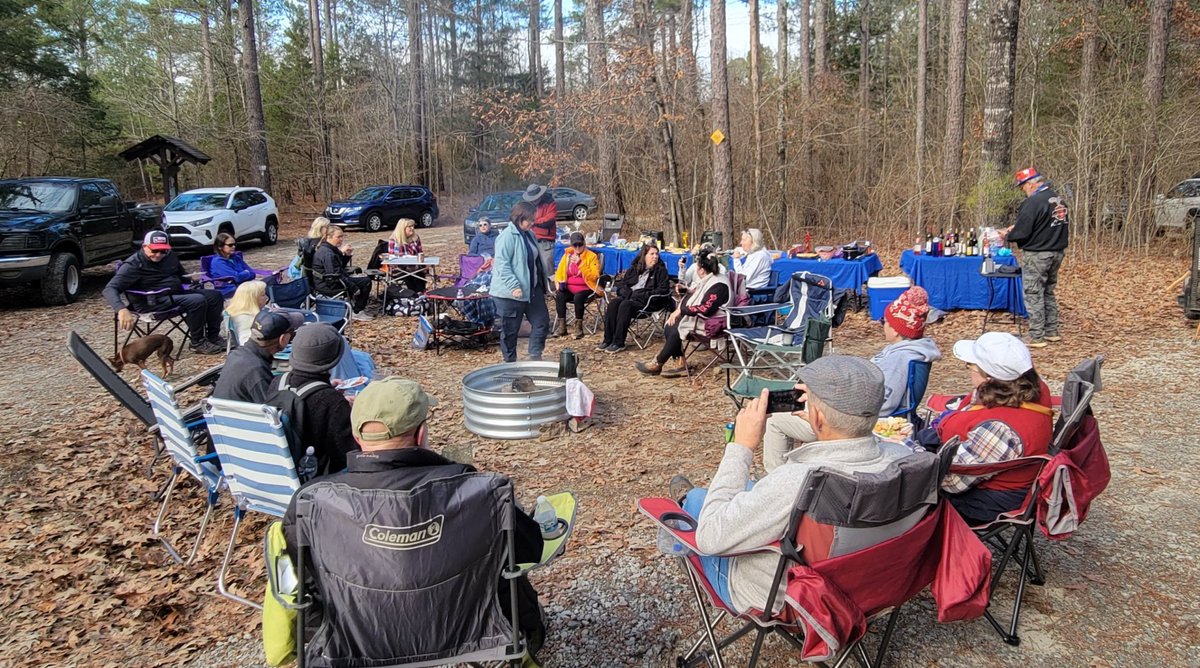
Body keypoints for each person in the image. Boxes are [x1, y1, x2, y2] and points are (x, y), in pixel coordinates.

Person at [281, 377, 548, 658]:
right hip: (466, 632)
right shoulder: (476, 490)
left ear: (358, 438)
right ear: (421, 434)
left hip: (356, 640)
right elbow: (530, 547)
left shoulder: (314, 500)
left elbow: (305, 577)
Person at [674, 356, 927, 615]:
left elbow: (709, 539)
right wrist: (830, 426)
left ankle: (686, 536)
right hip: (872, 588)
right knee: (750, 488)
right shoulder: (909, 462)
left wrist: (742, 446)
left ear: (816, 415)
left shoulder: (800, 480)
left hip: (790, 599)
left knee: (695, 500)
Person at [760, 287, 942, 471]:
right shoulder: (915, 351)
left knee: (775, 420)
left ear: (896, 330)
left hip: (853, 423)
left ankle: (775, 477)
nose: (882, 325)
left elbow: (881, 404)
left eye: (884, 322)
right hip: (858, 415)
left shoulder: (898, 360)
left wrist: (830, 403)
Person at [936, 332, 1053, 525]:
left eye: (971, 365)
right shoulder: (1033, 388)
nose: (969, 370)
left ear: (989, 378)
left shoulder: (1000, 429)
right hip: (1003, 479)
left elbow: (952, 483)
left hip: (988, 502)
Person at [103, 230, 226, 355]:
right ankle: (197, 342)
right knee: (196, 300)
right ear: (144, 247)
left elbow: (180, 276)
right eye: (154, 250)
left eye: (163, 250)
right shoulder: (133, 265)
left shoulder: (169, 256)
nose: (158, 254)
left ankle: (213, 337)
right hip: (151, 302)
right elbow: (110, 288)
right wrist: (121, 309)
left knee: (215, 296)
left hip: (174, 294)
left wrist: (191, 278)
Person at [268, 323, 359, 474]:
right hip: (314, 479)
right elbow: (347, 455)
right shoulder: (332, 401)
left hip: (279, 470)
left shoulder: (278, 382)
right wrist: (355, 413)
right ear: (335, 358)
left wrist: (328, 388)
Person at [636, 246, 729, 378]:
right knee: (670, 324)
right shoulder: (709, 279)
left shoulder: (719, 285)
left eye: (696, 267)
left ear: (701, 270)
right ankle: (679, 363)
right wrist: (682, 301)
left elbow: (706, 308)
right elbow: (695, 294)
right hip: (702, 318)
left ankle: (657, 363)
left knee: (675, 328)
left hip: (713, 323)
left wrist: (682, 310)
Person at [1002, 167, 1069, 349]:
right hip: (1057, 252)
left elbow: (1022, 232)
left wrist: (1007, 235)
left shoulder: (1033, 202)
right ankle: (1052, 331)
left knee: (1033, 293)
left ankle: (1037, 336)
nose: (1023, 190)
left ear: (1031, 184)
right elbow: (1042, 224)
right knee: (1048, 290)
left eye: (1023, 187)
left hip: (1038, 254)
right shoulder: (1058, 199)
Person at [490, 201, 550, 363]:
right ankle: (510, 364)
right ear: (519, 217)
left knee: (541, 322)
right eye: (529, 219)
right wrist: (514, 286)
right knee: (510, 332)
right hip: (510, 294)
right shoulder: (506, 237)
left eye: (533, 219)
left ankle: (535, 357)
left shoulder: (529, 234)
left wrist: (546, 282)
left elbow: (535, 261)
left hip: (532, 290)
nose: (532, 222)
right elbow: (502, 264)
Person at [212, 310, 304, 404]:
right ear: (282, 339)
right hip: (242, 417)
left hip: (224, 414)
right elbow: (273, 410)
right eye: (292, 333)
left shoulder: (236, 354)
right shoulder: (257, 371)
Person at [597, 244, 670, 354]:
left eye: (656, 254)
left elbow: (663, 290)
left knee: (625, 305)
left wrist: (641, 294)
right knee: (614, 303)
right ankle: (608, 340)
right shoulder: (635, 268)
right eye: (652, 254)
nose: (655, 256)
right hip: (629, 297)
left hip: (647, 303)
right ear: (644, 255)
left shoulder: (660, 271)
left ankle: (618, 342)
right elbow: (622, 284)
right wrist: (623, 291)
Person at [313, 224, 373, 320]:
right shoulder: (327, 253)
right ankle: (356, 311)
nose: (341, 239)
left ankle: (356, 308)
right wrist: (354, 288)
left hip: (332, 280)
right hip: (328, 285)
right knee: (365, 282)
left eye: (342, 236)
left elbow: (339, 267)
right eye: (338, 237)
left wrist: (346, 255)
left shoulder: (330, 249)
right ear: (329, 237)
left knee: (363, 278)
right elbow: (336, 275)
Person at [552, 232, 601, 339]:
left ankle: (578, 327)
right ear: (571, 245)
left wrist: (580, 264)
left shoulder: (591, 256)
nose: (578, 248)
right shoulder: (567, 256)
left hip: (586, 286)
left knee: (578, 297)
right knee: (559, 295)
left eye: (580, 244)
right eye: (575, 245)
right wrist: (558, 283)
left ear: (584, 243)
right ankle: (562, 327)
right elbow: (559, 272)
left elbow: (594, 276)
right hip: (569, 287)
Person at [524, 184, 558, 291]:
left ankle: (551, 290)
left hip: (546, 240)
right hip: (532, 238)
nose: (534, 201)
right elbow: (525, 219)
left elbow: (549, 220)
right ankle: (539, 290)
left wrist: (534, 222)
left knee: (548, 268)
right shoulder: (528, 205)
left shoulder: (550, 202)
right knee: (534, 266)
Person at [209, 232, 261, 297]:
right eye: (230, 245)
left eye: (234, 244)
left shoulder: (236, 258)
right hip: (229, 289)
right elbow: (236, 278)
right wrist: (246, 273)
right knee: (258, 289)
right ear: (220, 247)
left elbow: (253, 273)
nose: (233, 247)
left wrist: (243, 274)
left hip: (243, 285)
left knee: (270, 281)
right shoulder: (218, 262)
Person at [388, 218, 427, 293]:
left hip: (416, 267)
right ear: (402, 228)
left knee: (420, 275)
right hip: (400, 269)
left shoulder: (416, 238)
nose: (412, 228)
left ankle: (421, 296)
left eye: (413, 226)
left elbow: (420, 252)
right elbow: (392, 258)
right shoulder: (393, 240)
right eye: (410, 226)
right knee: (408, 276)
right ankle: (412, 296)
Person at [225, 280, 268, 345]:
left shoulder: (240, 312)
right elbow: (245, 342)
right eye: (263, 295)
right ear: (253, 299)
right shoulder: (245, 318)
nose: (266, 298)